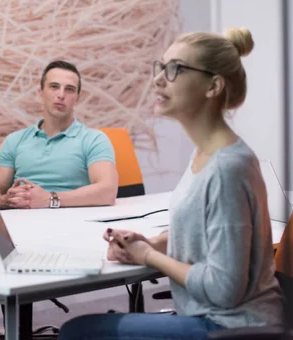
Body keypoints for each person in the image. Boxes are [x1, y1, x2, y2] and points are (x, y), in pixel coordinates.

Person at [58, 28, 285, 340]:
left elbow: (224, 288)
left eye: (176, 69)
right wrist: (150, 243)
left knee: (77, 333)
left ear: (213, 86)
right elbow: (200, 234)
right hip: (213, 317)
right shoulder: (206, 153)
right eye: (161, 67)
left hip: (231, 327)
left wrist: (148, 257)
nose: (158, 80)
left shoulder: (227, 168)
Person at [0, 60, 118, 209]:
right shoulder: (14, 140)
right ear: (40, 93)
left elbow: (108, 192)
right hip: (19, 224)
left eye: (69, 89)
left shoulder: (94, 139)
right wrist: (6, 200)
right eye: (54, 87)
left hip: (74, 224)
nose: (61, 95)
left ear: (77, 97)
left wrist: (50, 199)